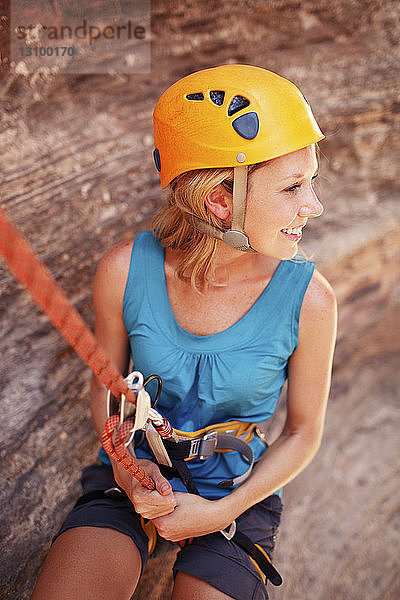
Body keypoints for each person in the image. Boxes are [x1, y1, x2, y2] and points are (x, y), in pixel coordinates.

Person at [31, 64, 337, 600]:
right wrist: (127, 470)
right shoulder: (125, 271)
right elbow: (105, 387)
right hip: (136, 466)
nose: (313, 205)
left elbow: (302, 432)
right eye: (292, 187)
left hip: (240, 487)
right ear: (220, 200)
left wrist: (220, 511)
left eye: (310, 181)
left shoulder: (309, 300)